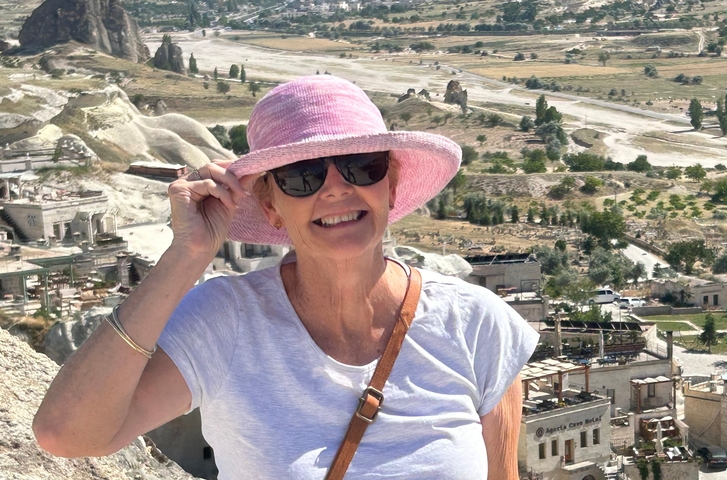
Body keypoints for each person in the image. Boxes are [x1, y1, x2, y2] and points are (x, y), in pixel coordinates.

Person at [33, 75, 539, 479]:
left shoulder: (475, 324)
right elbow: (68, 434)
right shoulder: (226, 322)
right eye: (304, 176)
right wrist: (185, 256)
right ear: (271, 207)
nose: (337, 188)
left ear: (392, 183)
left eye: (361, 165)